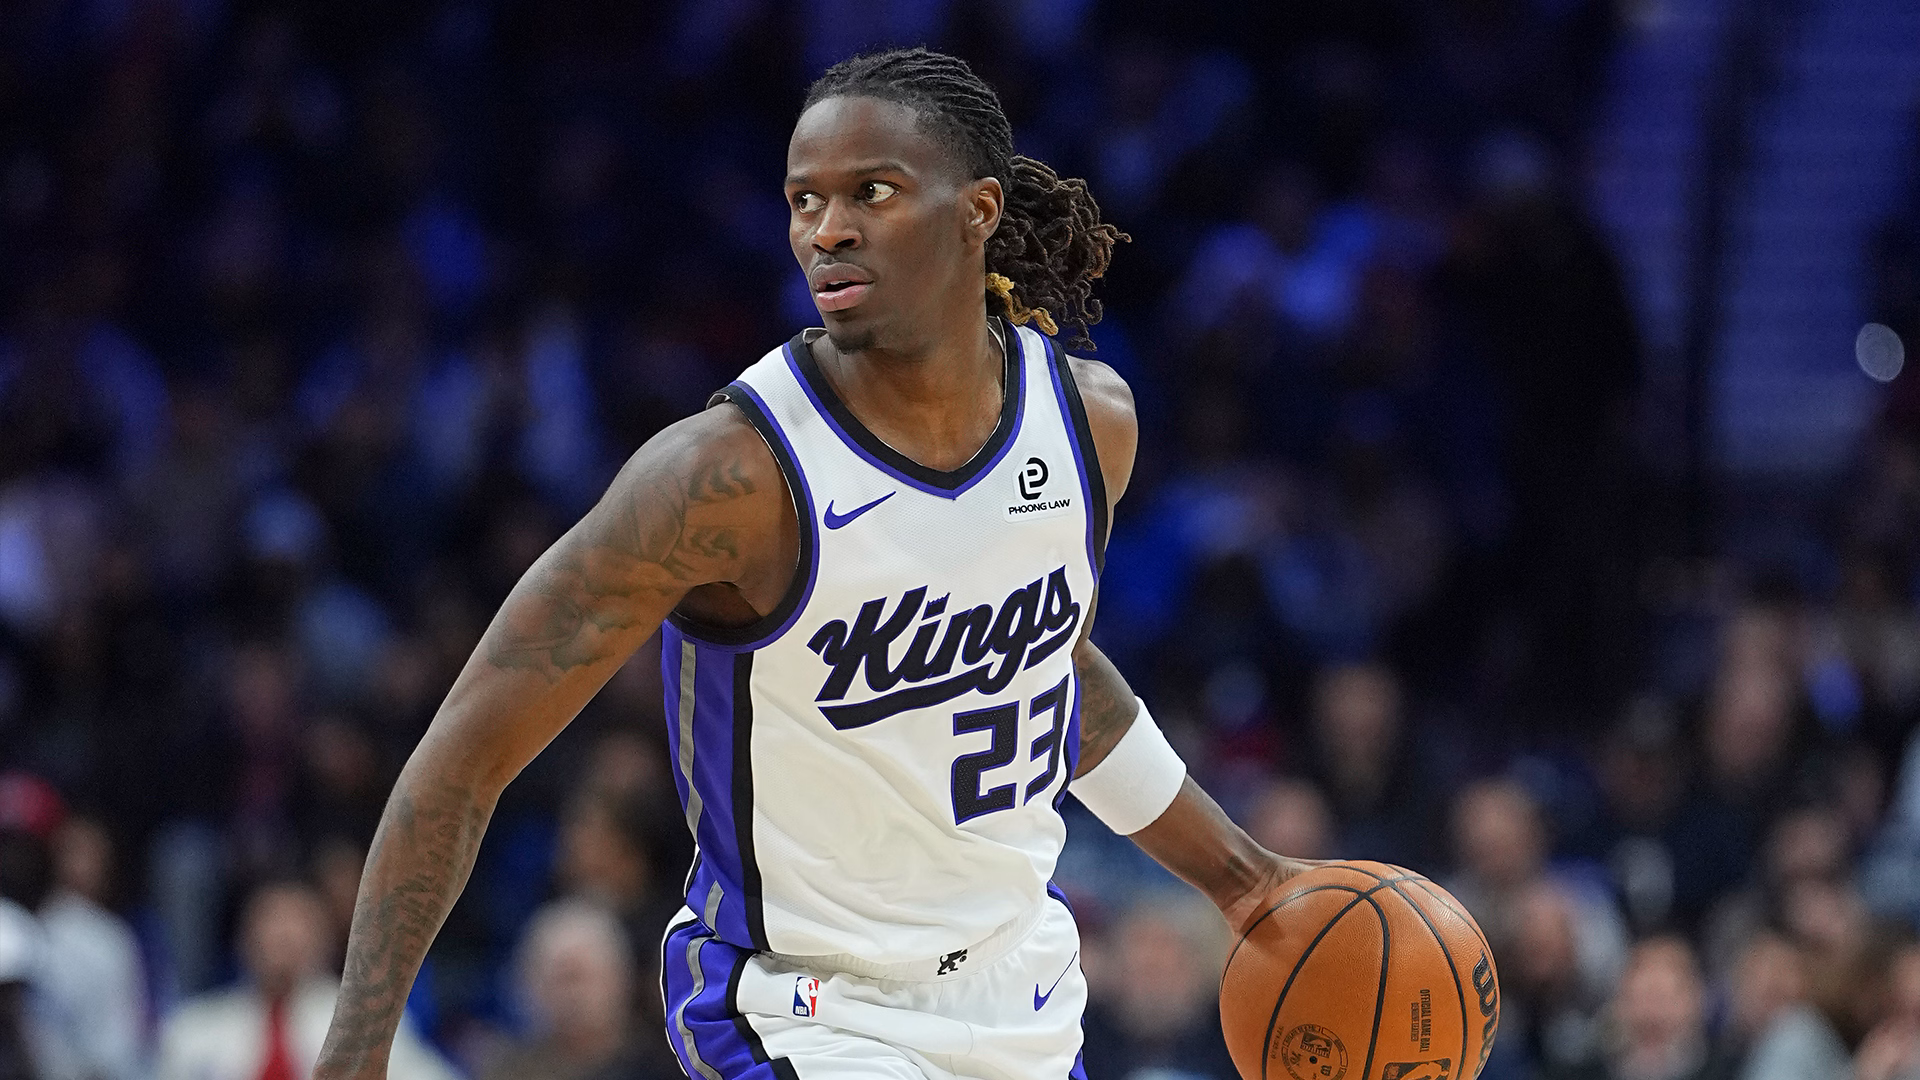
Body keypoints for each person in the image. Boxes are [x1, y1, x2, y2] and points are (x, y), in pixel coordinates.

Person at [313, 47, 1308, 1080]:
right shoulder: (725, 479)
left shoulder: (1089, 424)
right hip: (808, 1012)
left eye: (872, 192)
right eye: (804, 200)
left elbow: (1045, 670)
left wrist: (1243, 879)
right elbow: (465, 756)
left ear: (977, 211)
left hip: (1024, 993)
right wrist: (356, 1051)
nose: (825, 229)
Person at [157, 881, 454, 1080]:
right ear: (243, 938)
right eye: (271, 922)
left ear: (326, 941)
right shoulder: (192, 1028)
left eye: (298, 924)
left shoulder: (369, 1021)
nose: (284, 936)